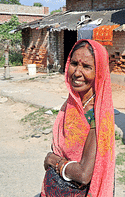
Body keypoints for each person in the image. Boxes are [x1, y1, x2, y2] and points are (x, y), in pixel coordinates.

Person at [41, 39, 115, 197]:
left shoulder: (96, 114)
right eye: (74, 63)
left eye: (87, 66)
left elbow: (83, 174)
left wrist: (53, 160)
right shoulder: (73, 102)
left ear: (99, 72)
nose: (77, 72)